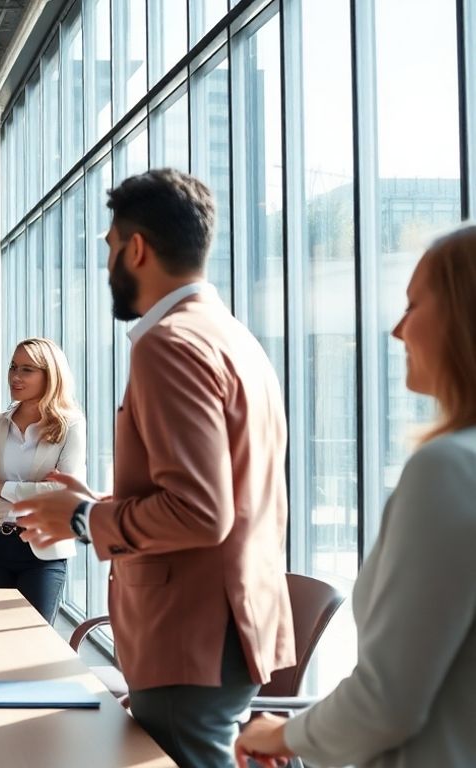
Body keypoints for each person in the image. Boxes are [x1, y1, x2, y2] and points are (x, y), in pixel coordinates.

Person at [13, 169, 293, 768]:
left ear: (135, 248)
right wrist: (97, 505)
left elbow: (201, 512)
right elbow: (221, 494)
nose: (107, 263)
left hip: (187, 635)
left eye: (110, 246)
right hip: (228, 628)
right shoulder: (233, 337)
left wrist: (84, 518)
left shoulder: (170, 343)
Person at [235, 227, 476, 768]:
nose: (397, 329)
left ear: (464, 314)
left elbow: (386, 702)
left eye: (413, 305)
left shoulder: (448, 470)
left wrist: (284, 734)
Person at [0, 337, 85, 624]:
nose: (15, 376)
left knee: (37, 636)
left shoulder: (71, 425)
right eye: (13, 367)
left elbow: (64, 493)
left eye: (27, 369)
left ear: (50, 375)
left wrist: (2, 488)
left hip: (45, 550)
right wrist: (34, 501)